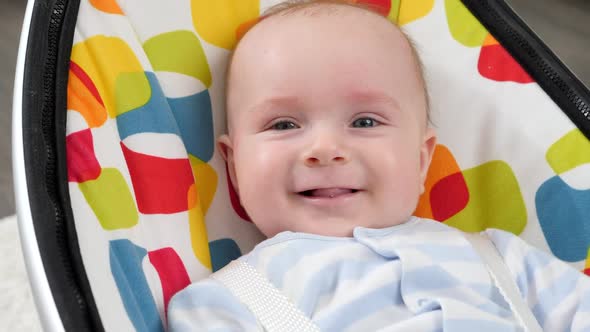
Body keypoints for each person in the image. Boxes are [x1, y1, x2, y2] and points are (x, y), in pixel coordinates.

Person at [168, 1, 590, 330]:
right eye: (283, 124)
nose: (326, 149)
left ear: (421, 159)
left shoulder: (504, 257)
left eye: (365, 121)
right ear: (234, 166)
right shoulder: (220, 306)